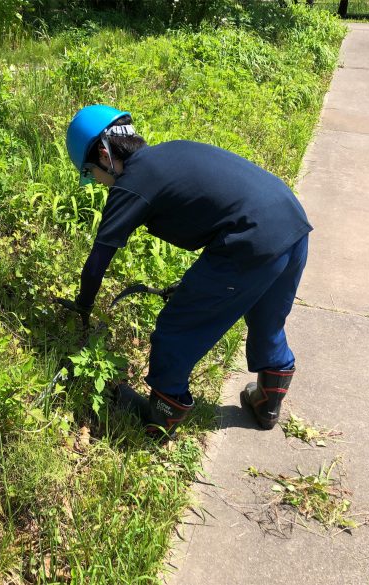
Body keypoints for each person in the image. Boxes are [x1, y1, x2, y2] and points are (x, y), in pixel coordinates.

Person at [61, 105, 312, 439]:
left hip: (251, 239)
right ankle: (268, 401)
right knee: (266, 315)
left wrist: (83, 307)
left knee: (175, 329)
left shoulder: (131, 183)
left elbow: (95, 265)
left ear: (104, 156)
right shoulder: (169, 153)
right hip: (290, 220)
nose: (96, 181)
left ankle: (159, 418)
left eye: (91, 172)